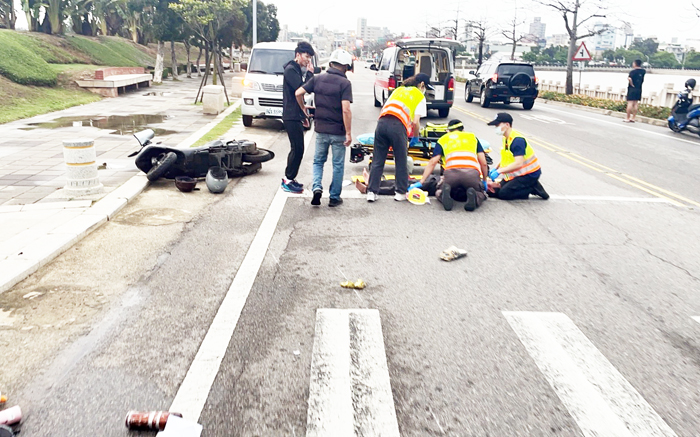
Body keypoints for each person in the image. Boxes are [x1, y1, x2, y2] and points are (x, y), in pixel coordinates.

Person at [295, 49, 354, 207]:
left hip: (321, 129)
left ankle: (316, 188)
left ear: (331, 63)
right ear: (345, 67)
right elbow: (346, 109)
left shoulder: (317, 79)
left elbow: (298, 93)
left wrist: (303, 109)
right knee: (338, 164)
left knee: (318, 162)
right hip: (338, 131)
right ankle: (334, 197)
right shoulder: (345, 83)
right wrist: (348, 132)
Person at [367, 73, 432, 202]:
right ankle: (400, 193)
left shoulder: (398, 90)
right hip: (397, 126)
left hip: (381, 124)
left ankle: (371, 192)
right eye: (426, 88)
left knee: (378, 160)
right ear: (422, 85)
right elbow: (415, 121)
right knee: (401, 160)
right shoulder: (419, 96)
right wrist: (415, 136)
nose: (425, 91)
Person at [408, 120, 488, 211]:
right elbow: (484, 163)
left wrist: (421, 182)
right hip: (471, 175)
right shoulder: (472, 137)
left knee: (439, 190)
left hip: (451, 174)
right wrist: (484, 180)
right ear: (463, 130)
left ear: (448, 130)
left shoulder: (443, 139)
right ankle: (475, 197)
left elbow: (433, 162)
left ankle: (444, 194)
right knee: (481, 192)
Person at [486, 112, 549, 200]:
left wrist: (499, 171)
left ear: (507, 125)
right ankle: (525, 186)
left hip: (529, 174)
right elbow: (507, 157)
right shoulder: (506, 138)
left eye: (497, 125)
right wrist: (496, 168)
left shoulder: (517, 141)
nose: (496, 128)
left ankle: (533, 186)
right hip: (517, 174)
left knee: (504, 194)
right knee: (494, 192)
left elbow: (518, 163)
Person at [281, 41, 315, 194]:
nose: (308, 60)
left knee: (297, 148)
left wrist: (304, 114)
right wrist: (310, 74)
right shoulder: (290, 70)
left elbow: (300, 96)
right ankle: (287, 180)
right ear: (298, 55)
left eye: (309, 58)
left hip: (295, 115)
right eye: (306, 57)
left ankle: (290, 179)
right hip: (290, 115)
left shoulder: (294, 69)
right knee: (298, 148)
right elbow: (302, 90)